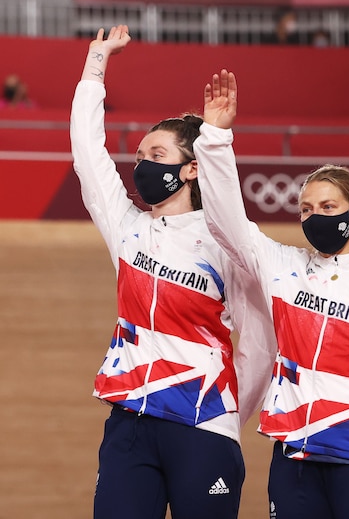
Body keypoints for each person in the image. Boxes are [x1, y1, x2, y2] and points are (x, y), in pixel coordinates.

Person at [193, 69, 349, 519]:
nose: (315, 216)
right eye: (306, 209)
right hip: (293, 455)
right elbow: (226, 222)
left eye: (328, 207)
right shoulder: (283, 265)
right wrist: (216, 138)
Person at [70, 26, 273, 519]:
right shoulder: (127, 228)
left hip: (203, 428)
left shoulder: (229, 240)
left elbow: (262, 341)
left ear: (191, 169)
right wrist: (97, 63)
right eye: (139, 156)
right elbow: (88, 154)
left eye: (156, 155)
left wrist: (224, 414)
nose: (141, 165)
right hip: (130, 423)